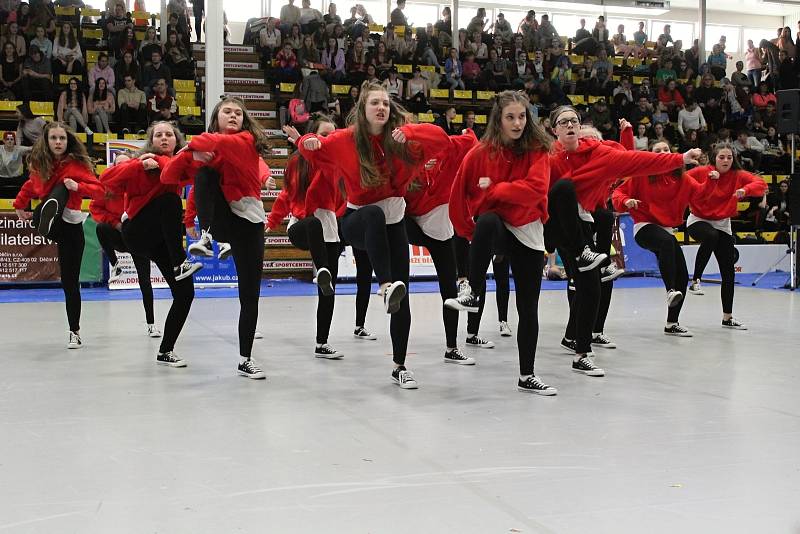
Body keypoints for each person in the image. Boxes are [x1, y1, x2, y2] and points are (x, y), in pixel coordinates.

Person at [298, 81, 450, 389]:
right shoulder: (346, 139)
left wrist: (411, 132)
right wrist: (310, 140)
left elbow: (443, 140)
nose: (381, 107)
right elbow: (309, 146)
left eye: (385, 103)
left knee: (402, 297)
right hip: (357, 219)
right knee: (374, 215)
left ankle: (400, 365)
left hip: (394, 223)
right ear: (362, 110)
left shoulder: (401, 138)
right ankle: (383, 285)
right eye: (374, 103)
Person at [546, 105, 702, 378]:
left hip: (583, 222)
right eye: (563, 122)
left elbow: (637, 161)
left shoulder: (600, 154)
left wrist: (680, 159)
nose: (570, 125)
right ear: (554, 129)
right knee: (566, 193)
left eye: (574, 121)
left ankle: (581, 351)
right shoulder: (548, 156)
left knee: (591, 286)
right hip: (553, 221)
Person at [447, 91, 557, 395]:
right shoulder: (480, 154)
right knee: (488, 220)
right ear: (499, 119)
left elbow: (535, 190)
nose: (518, 122)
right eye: (510, 117)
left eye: (522, 116)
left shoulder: (537, 150)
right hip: (498, 230)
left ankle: (527, 375)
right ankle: (474, 291)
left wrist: (495, 190)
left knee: (528, 308)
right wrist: (469, 232)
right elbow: (457, 197)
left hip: (528, 232)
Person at [162, 97, 272, 379]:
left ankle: (245, 358)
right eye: (227, 112)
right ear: (216, 118)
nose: (233, 116)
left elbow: (219, 144)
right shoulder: (208, 146)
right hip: (222, 218)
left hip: (249, 220)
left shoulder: (246, 141)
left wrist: (195, 146)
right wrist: (190, 155)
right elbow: (167, 176)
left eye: (238, 113)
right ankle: (210, 238)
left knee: (250, 294)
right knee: (205, 174)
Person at [101, 121, 201, 367]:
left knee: (186, 293)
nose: (164, 138)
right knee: (169, 200)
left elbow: (201, 172)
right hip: (137, 231)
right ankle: (180, 262)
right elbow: (106, 178)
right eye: (159, 135)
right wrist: (137, 163)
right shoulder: (141, 163)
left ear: (176, 140)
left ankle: (166, 350)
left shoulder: (176, 166)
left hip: (160, 241)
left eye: (169, 134)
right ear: (151, 140)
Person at [13, 122, 102, 349]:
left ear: (68, 140)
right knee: (43, 209)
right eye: (53, 138)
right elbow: (29, 186)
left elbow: (99, 190)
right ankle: (45, 219)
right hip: (53, 223)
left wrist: (77, 187)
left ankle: (75, 331)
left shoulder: (77, 164)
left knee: (69, 283)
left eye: (62, 138)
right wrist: (19, 205)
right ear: (47, 140)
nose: (58, 142)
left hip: (71, 227)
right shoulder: (38, 164)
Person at [405, 129, 481, 364]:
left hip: (439, 230)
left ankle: (451, 348)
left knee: (449, 289)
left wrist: (465, 131)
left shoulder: (450, 150)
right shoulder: (403, 157)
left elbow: (471, 140)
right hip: (410, 224)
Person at [612, 140, 700, 336]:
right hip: (644, 228)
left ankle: (671, 323)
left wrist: (714, 179)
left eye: (666, 149)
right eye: (657, 151)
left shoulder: (684, 179)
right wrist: (627, 200)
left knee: (683, 276)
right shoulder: (640, 176)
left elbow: (703, 193)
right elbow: (617, 193)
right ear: (651, 156)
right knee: (667, 242)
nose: (662, 153)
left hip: (667, 230)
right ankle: (670, 291)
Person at [685, 143, 767, 329]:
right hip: (698, 220)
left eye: (729, 157)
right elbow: (682, 181)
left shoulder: (737, 176)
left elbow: (760, 184)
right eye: (722, 157)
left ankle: (727, 317)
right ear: (714, 158)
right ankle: (695, 280)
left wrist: (745, 190)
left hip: (723, 224)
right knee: (711, 236)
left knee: (728, 272)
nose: (726, 160)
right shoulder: (702, 171)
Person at [90, 152, 161, 337]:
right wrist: (117, 224)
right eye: (118, 165)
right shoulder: (106, 186)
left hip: (137, 237)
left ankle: (151, 323)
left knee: (145, 281)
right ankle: (115, 264)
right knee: (101, 229)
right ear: (113, 168)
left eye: (126, 165)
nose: (122, 169)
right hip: (119, 236)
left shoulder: (139, 184)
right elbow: (95, 208)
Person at [0, 131, 31, 196]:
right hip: (1, 177)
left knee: (30, 181)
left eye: (11, 139)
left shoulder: (19, 149)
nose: (9, 141)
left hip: (16, 178)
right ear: (4, 140)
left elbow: (32, 148)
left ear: (14, 141)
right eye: (7, 139)